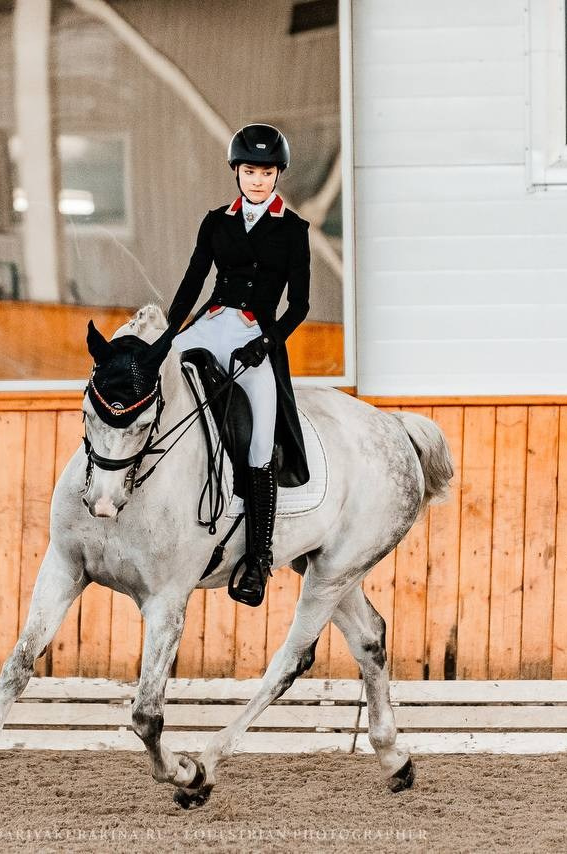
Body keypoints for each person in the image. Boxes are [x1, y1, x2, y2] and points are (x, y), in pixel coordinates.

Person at [166, 123, 312, 608]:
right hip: (209, 325)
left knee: (261, 442)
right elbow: (192, 281)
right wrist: (169, 334)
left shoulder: (293, 230)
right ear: (236, 171)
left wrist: (265, 344)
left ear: (277, 175)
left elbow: (300, 305)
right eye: (250, 171)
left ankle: (258, 558)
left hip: (255, 337)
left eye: (266, 173)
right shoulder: (216, 222)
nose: (257, 180)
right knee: (156, 385)